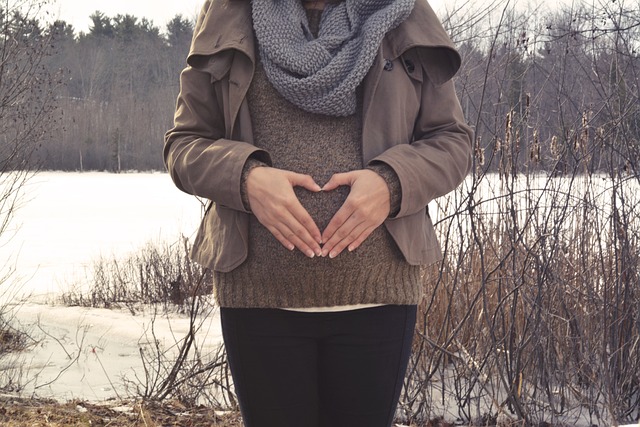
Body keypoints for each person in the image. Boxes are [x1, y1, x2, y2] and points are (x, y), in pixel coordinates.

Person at [164, 0, 472, 424]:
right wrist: (246, 178)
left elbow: (452, 142)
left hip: (379, 298)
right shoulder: (230, 10)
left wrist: (392, 183)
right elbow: (184, 144)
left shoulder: (404, 11)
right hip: (259, 298)